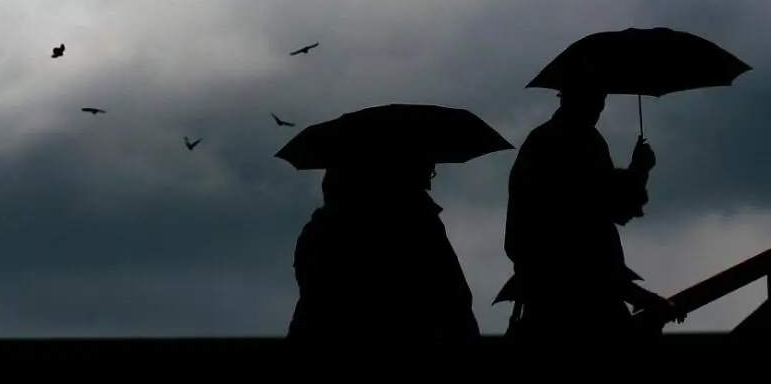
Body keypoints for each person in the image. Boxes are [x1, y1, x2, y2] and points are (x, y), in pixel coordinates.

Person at [502, 85, 684, 340]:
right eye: (598, 97)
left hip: (542, 303)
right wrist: (640, 169)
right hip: (589, 306)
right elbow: (606, 213)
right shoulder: (584, 143)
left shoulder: (538, 142)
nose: (601, 106)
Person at [287, 156, 481, 344]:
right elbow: (455, 303)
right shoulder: (417, 224)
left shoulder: (319, 228)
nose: (431, 170)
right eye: (426, 165)